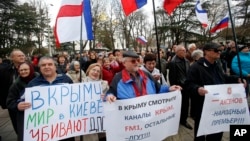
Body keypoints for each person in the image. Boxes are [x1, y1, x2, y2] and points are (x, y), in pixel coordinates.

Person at [185, 42, 245, 141]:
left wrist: (236, 79)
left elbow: (223, 77)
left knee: (216, 132)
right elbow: (188, 84)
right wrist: (197, 89)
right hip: (203, 106)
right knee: (201, 134)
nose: (219, 52)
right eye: (216, 50)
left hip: (219, 106)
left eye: (220, 50)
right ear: (206, 52)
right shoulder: (196, 67)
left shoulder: (217, 64)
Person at [26, 56, 75, 141]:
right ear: (39, 68)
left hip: (65, 128)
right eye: (43, 65)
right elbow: (20, 100)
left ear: (55, 66)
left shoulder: (66, 79)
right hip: (44, 130)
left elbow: (76, 97)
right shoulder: (32, 84)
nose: (47, 67)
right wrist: (19, 105)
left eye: (50, 64)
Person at [105, 50, 181, 101]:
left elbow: (159, 88)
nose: (136, 63)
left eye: (138, 60)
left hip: (149, 117)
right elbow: (110, 93)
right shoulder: (118, 78)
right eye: (133, 61)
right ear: (124, 63)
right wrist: (109, 96)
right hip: (130, 120)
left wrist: (169, 88)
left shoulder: (146, 75)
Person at [6, 62, 39, 141]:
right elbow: (9, 102)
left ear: (31, 69)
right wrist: (17, 105)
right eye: (21, 70)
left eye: (25, 69)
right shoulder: (15, 85)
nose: (23, 72)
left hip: (42, 116)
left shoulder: (41, 80)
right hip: (26, 118)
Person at [0, 49, 26, 134]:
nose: (22, 57)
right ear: (12, 58)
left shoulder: (32, 68)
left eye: (23, 55)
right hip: (13, 103)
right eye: (19, 56)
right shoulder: (4, 70)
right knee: (17, 125)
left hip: (28, 102)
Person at [82, 63, 109, 141]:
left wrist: (106, 98)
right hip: (86, 118)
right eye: (93, 70)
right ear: (88, 71)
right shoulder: (80, 83)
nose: (95, 72)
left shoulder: (105, 84)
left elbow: (110, 99)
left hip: (100, 118)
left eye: (98, 71)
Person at [168, 45, 192, 130]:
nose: (185, 52)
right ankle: (177, 119)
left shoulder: (186, 61)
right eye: (183, 50)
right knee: (179, 104)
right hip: (179, 87)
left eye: (185, 50)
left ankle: (184, 120)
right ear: (177, 52)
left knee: (186, 104)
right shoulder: (173, 62)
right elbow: (172, 77)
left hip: (187, 86)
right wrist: (174, 87)